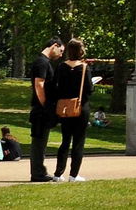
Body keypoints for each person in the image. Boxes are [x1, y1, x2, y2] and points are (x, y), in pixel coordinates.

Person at [52, 37, 95, 182]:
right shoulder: (84, 68)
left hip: (64, 107)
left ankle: (58, 174)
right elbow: (89, 89)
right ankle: (74, 174)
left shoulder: (61, 67)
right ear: (81, 51)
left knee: (65, 141)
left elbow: (56, 87)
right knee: (78, 141)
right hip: (80, 107)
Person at [28, 36, 63, 182]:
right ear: (54, 45)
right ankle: (38, 173)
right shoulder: (42, 62)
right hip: (41, 109)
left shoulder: (43, 62)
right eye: (61, 51)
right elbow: (39, 84)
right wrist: (46, 105)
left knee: (41, 141)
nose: (61, 55)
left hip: (41, 108)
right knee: (39, 142)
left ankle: (39, 171)